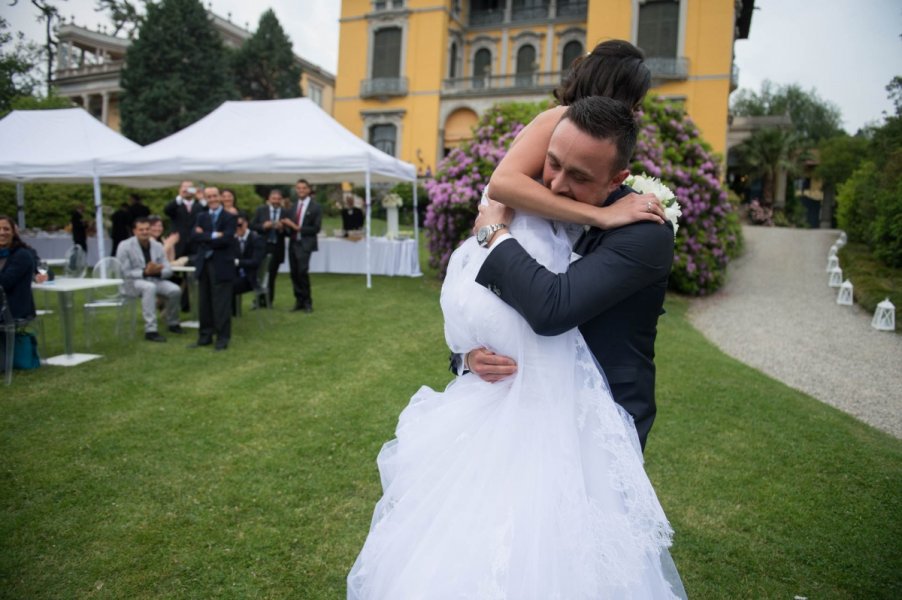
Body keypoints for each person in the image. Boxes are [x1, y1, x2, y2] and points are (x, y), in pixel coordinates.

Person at [347, 97, 683, 598]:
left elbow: (550, 310)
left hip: (595, 421)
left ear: (618, 180)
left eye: (579, 176)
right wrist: (466, 359)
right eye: (552, 162)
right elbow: (483, 312)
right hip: (509, 426)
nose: (555, 184)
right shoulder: (535, 211)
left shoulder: (640, 230)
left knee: (573, 561)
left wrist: (492, 231)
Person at [116, 217, 183, 343]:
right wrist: (144, 272)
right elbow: (124, 271)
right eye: (141, 229)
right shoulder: (124, 246)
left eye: (147, 229)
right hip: (133, 282)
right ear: (134, 231)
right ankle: (151, 330)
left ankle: (173, 323)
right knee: (149, 288)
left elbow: (168, 268)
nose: (145, 232)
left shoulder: (157, 246)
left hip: (155, 278)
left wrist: (158, 272)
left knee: (175, 290)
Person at [189, 186, 237, 351]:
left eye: (215, 196)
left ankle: (222, 338)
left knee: (221, 303)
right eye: (208, 197)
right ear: (205, 199)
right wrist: (215, 234)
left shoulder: (230, 217)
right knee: (205, 302)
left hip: (222, 264)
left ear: (221, 198)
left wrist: (206, 236)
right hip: (204, 264)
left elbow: (228, 239)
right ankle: (205, 336)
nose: (212, 199)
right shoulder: (201, 216)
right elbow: (194, 237)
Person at [281, 179, 322, 313]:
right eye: (299, 188)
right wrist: (285, 227)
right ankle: (298, 300)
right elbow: (288, 227)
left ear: (308, 189)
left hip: (305, 244)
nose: (301, 190)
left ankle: (307, 302)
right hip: (293, 243)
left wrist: (297, 228)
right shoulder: (292, 207)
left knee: (302, 272)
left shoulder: (315, 207)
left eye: (303, 188)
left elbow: (316, 228)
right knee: (294, 273)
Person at [164, 181, 206, 312]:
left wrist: (202, 199)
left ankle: (186, 303)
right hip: (178, 245)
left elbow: (208, 213)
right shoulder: (176, 205)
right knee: (173, 273)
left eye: (190, 188)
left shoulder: (200, 206)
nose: (188, 190)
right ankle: (167, 302)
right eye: (184, 188)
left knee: (192, 274)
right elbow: (167, 210)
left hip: (195, 245)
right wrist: (180, 197)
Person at [251, 188, 288, 307]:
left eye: (278, 199)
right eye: (274, 198)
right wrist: (263, 226)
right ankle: (257, 300)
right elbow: (252, 226)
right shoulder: (261, 210)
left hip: (276, 246)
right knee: (260, 274)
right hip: (262, 246)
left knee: (272, 275)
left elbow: (289, 231)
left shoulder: (285, 212)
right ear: (269, 199)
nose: (276, 201)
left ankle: (268, 301)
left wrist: (282, 228)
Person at [0, 215, 36, 321]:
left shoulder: (22, 255)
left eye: (6, 229)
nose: (2, 232)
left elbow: (4, 283)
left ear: (13, 232)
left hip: (13, 311)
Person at [232, 213, 265, 312]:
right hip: (237, 275)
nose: (237, 228)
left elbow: (255, 262)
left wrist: (237, 262)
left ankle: (228, 313)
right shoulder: (234, 239)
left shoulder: (256, 239)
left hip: (251, 278)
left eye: (239, 225)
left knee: (226, 286)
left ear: (246, 224)